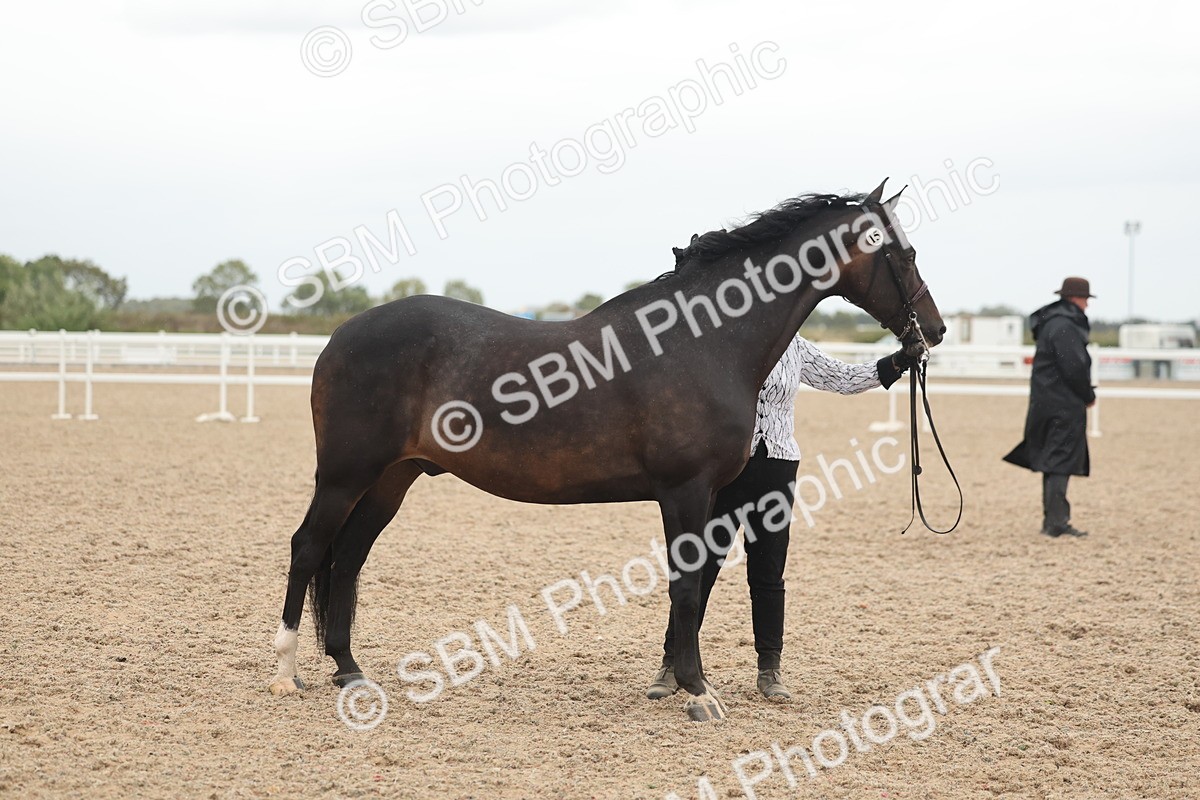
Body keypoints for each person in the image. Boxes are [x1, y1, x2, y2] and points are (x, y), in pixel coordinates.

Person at [646, 334, 921, 702]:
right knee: (702, 566)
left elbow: (843, 378)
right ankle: (672, 661)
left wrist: (899, 361)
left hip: (777, 468)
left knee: (768, 571)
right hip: (724, 469)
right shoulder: (721, 343)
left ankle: (769, 667)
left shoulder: (796, 346)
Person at [1003, 277, 1096, 538]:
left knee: (1054, 460)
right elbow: (1074, 366)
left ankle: (1053, 519)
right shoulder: (1065, 326)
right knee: (1060, 462)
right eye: (1086, 299)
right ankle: (1056, 522)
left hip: (1047, 401)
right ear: (1076, 299)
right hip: (1062, 404)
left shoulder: (1052, 323)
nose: (1087, 305)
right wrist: (1087, 394)